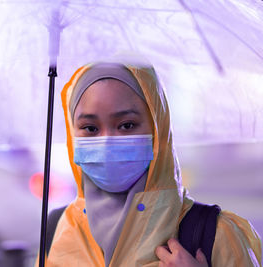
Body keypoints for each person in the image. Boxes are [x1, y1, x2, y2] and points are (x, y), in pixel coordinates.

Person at [39, 61, 262, 266]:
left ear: (158, 130)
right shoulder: (57, 230)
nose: (107, 141)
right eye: (90, 128)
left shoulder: (214, 234)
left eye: (126, 125)